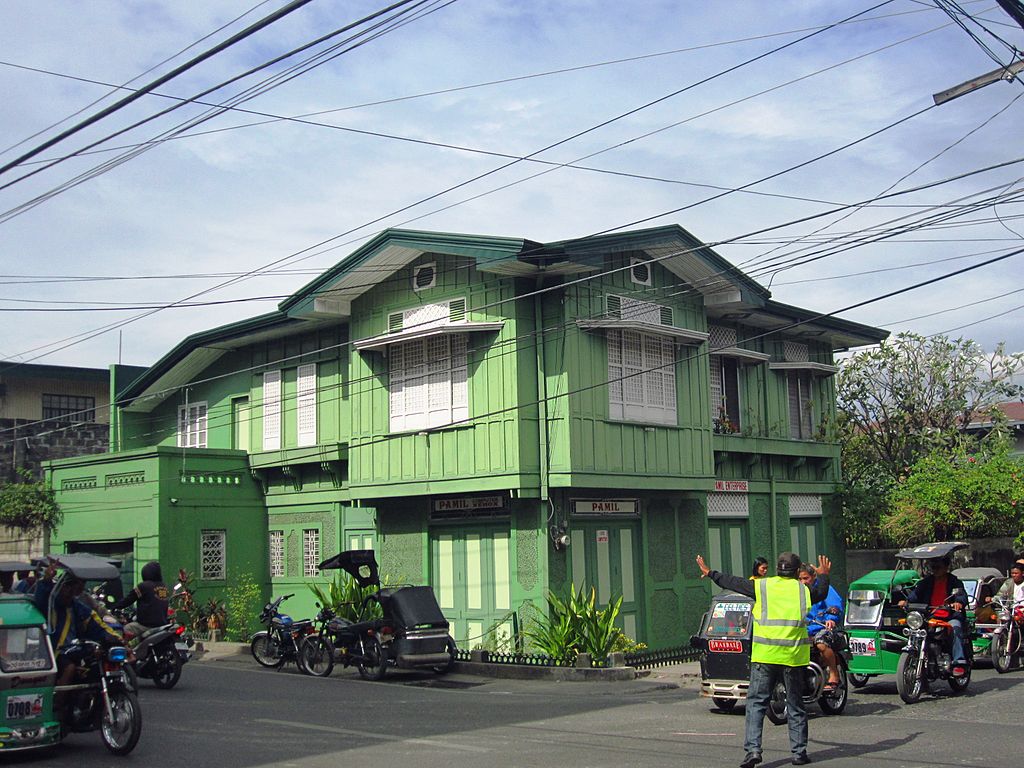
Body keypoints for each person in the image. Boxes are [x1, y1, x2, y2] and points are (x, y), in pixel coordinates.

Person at [697, 551, 833, 768]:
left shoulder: (762, 586)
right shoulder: (802, 590)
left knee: (756, 704)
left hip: (765, 656)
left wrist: (711, 573)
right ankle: (799, 753)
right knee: (796, 704)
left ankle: (753, 751)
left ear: (778, 569)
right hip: (792, 657)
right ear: (798, 572)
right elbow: (821, 592)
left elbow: (735, 583)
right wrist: (824, 574)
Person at [33, 561, 124, 706]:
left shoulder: (78, 606)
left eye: (72, 588)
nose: (69, 592)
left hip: (76, 650)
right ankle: (57, 706)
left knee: (99, 659)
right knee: (69, 668)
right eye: (66, 587)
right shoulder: (51, 604)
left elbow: (97, 624)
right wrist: (46, 580)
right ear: (60, 587)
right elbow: (40, 599)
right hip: (54, 653)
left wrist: (117, 640)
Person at [898, 556, 969, 671]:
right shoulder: (926, 582)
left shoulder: (954, 582)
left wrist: (958, 603)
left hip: (949, 616)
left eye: (938, 567)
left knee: (956, 627)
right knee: (915, 630)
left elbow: (961, 595)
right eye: (933, 567)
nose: (935, 570)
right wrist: (906, 602)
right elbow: (915, 595)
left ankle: (958, 662)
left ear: (946, 567)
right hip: (929, 616)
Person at [797, 564, 843, 689]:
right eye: (800, 579)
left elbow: (835, 605)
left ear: (814, 576)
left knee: (821, 643)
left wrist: (831, 619)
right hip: (803, 629)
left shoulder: (824, 589)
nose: (803, 582)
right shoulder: (796, 591)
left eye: (805, 578)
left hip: (822, 628)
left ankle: (834, 673)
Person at [112, 561, 170, 640]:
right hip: (162, 625)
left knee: (126, 628)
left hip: (146, 625)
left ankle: (128, 651)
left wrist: (115, 607)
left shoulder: (143, 586)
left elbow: (128, 600)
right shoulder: (164, 586)